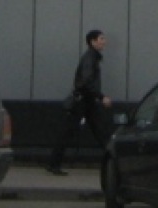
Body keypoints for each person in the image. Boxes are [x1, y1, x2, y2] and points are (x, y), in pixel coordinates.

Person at [46, 29, 111, 174]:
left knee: (100, 132)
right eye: (101, 39)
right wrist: (101, 97)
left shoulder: (92, 57)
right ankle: (53, 164)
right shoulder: (90, 58)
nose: (104, 41)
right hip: (83, 101)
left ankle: (114, 162)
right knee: (72, 132)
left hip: (87, 101)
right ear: (93, 42)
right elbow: (86, 82)